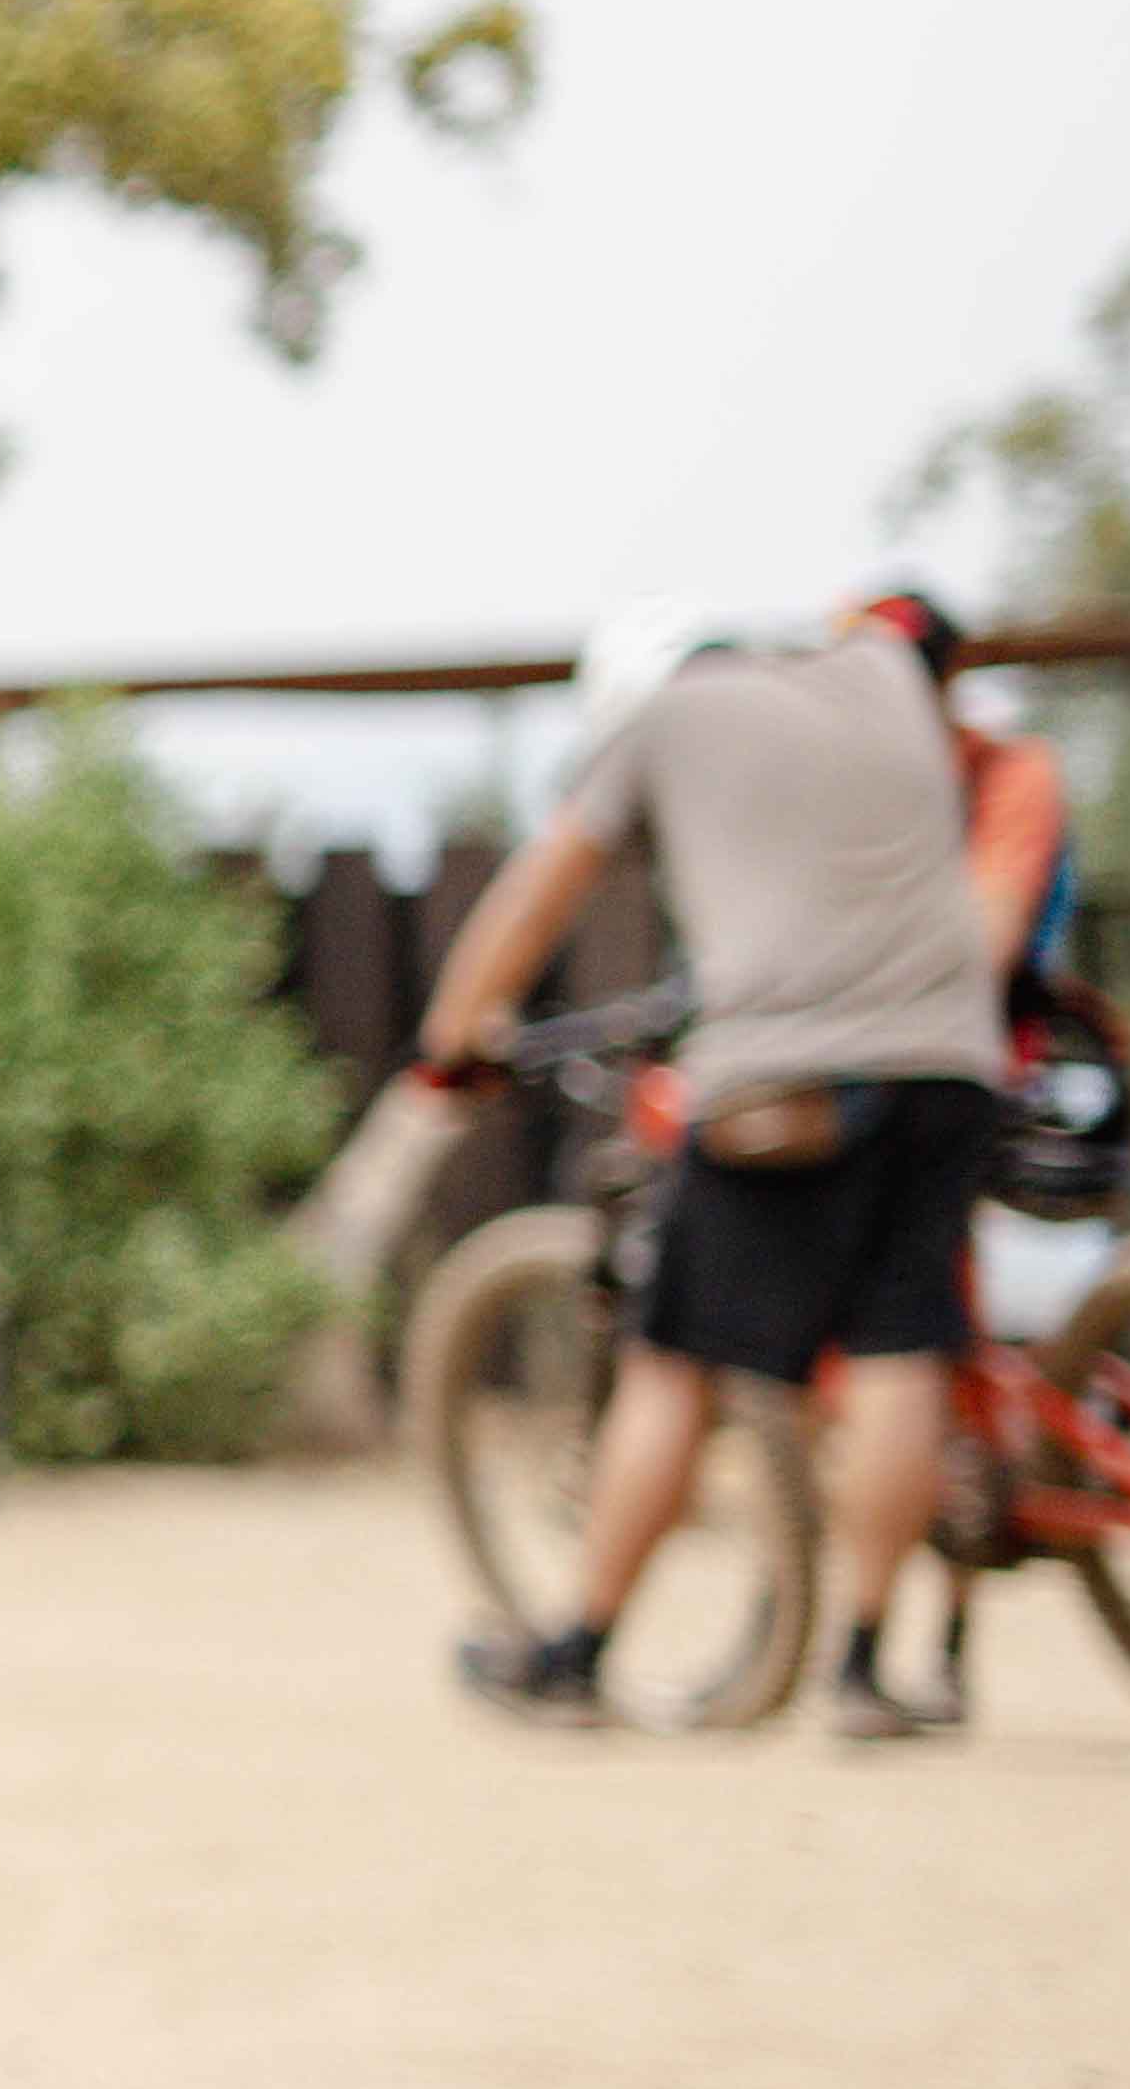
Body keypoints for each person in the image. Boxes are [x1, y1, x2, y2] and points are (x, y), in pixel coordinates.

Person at [408, 587, 1029, 1738]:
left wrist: (453, 1036)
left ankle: (579, 1651)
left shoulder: (661, 718)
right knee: (900, 1348)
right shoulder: (880, 678)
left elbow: (541, 893)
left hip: (786, 1075)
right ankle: (862, 1669)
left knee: (675, 1363)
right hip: (949, 1062)